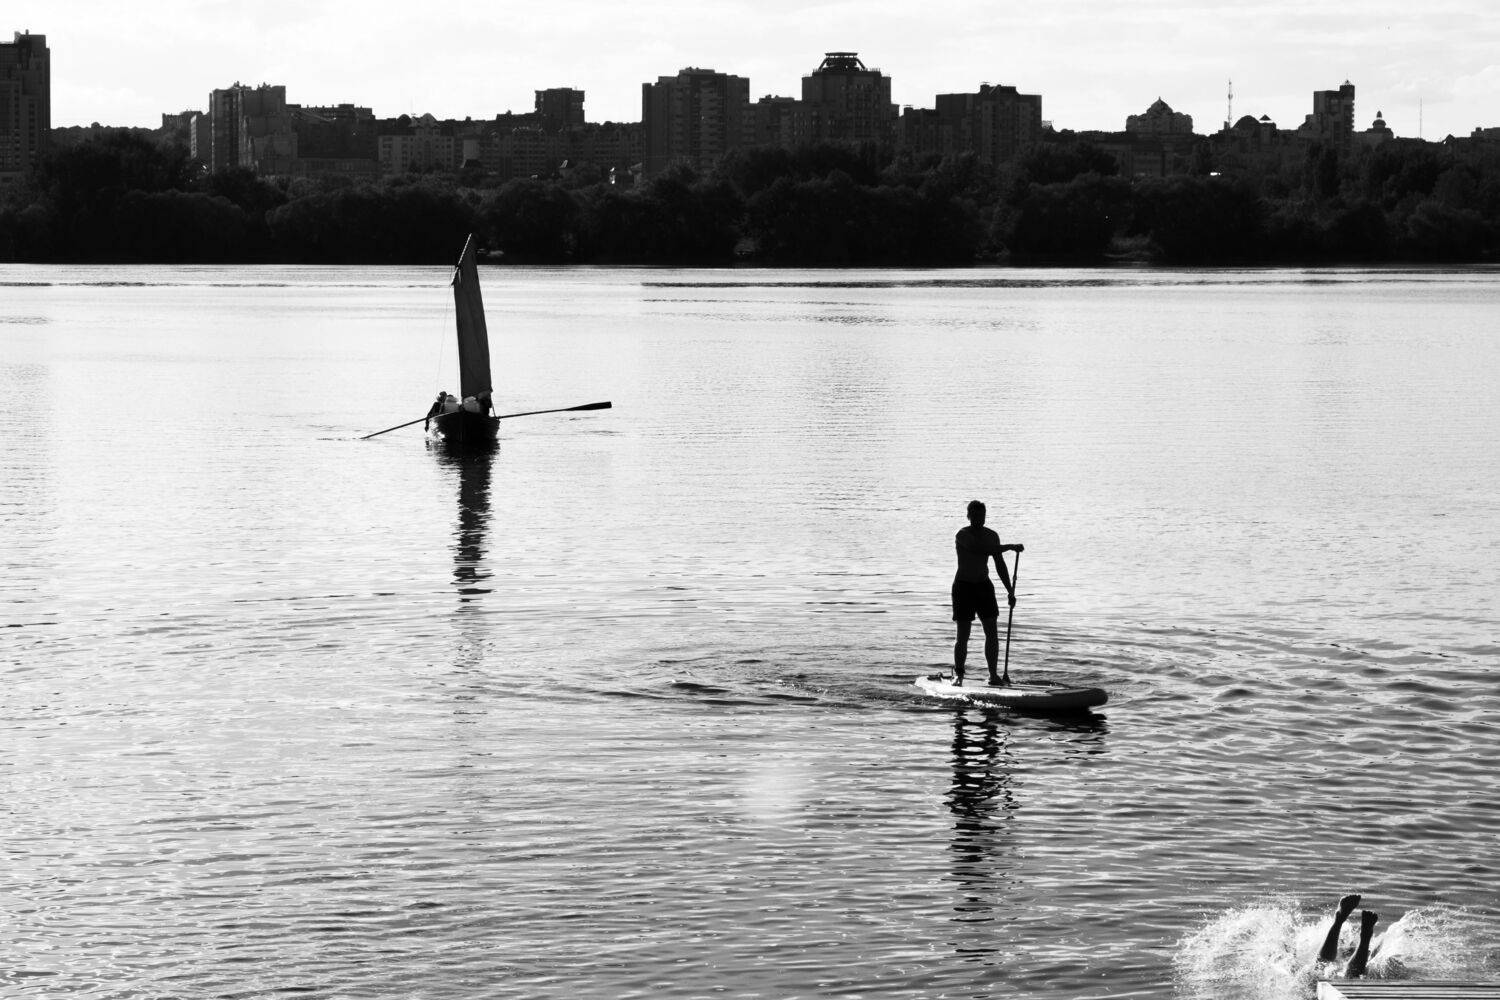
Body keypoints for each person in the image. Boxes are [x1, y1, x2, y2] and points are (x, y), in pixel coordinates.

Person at [951, 500, 1023, 687]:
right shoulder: (962, 534)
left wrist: (1010, 591)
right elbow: (980, 550)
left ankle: (993, 676)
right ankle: (959, 675)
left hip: (984, 586)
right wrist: (1010, 546)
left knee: (992, 632)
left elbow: (999, 564)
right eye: (975, 515)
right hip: (963, 587)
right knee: (963, 635)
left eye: (982, 515)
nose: (979, 519)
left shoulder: (992, 535)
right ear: (968, 516)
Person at [1317, 893, 1379, 978]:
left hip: (1342, 955)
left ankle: (1339, 921)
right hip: (1351, 955)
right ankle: (1365, 938)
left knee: (1321, 968)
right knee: (1351, 975)